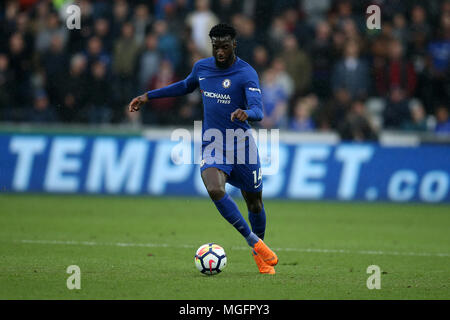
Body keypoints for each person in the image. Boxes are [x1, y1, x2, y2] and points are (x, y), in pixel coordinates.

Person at [128, 23, 278, 274]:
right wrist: (148, 96)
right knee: (214, 188)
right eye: (216, 46)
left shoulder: (247, 73)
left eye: (225, 46)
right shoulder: (202, 68)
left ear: (234, 45)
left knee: (255, 204)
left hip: (242, 146)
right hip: (213, 142)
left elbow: (259, 111)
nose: (220, 51)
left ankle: (259, 253)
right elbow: (184, 86)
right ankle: (255, 243)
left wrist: (246, 113)